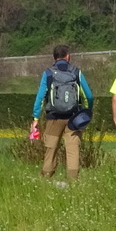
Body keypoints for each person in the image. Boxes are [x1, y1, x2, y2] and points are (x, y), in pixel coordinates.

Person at [31, 45, 94, 184]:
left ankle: (46, 179)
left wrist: (36, 118)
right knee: (73, 150)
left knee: (51, 149)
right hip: (74, 120)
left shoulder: (48, 74)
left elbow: (40, 98)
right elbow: (88, 96)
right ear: (68, 56)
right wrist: (87, 112)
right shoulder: (76, 72)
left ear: (54, 57)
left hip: (54, 118)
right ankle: (73, 181)